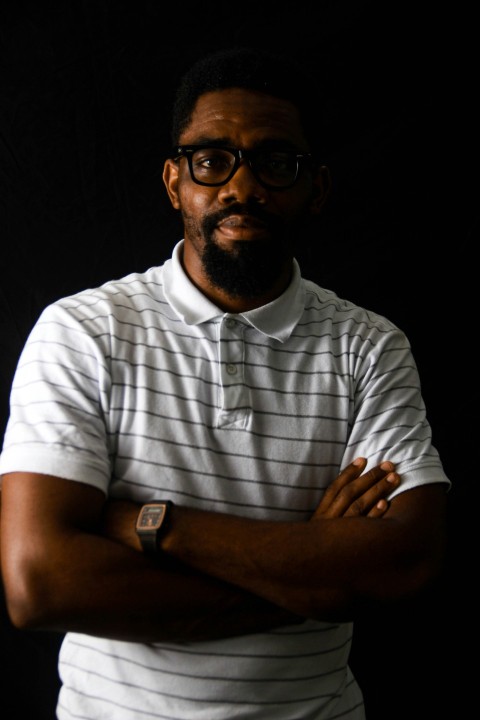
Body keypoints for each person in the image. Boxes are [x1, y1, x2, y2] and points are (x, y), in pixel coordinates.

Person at [0, 46, 450, 720]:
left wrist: (159, 528)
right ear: (173, 181)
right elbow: (42, 585)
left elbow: (404, 562)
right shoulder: (83, 331)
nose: (243, 187)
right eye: (212, 160)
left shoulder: (368, 346)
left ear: (316, 187)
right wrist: (318, 580)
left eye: (276, 163)